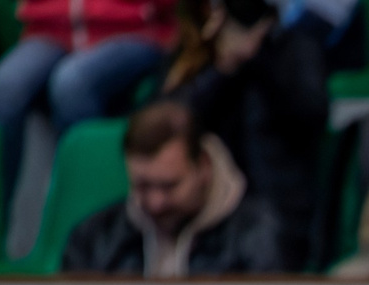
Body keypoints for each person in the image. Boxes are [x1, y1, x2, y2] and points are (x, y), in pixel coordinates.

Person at [162, 0, 327, 268]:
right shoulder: (199, 51)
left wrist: (257, 57)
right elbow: (164, 127)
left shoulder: (296, 48)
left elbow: (309, 116)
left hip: (279, 212)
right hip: (203, 211)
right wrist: (224, 69)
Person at [60, 97, 288, 273]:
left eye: (169, 186)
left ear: (204, 167)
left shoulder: (259, 236)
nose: (156, 202)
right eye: (142, 186)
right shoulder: (93, 239)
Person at [0, 0, 173, 208]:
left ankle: (77, 205)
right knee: (5, 87)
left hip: (132, 30)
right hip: (51, 27)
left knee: (72, 83)